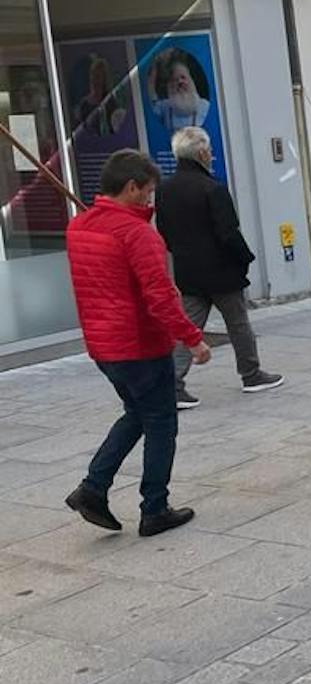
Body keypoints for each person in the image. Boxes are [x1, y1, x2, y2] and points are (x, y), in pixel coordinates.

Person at [64, 149, 210, 537]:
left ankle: (93, 489)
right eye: (147, 192)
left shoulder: (79, 227)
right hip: (140, 345)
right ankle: (155, 507)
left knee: (136, 414)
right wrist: (193, 339)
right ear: (131, 188)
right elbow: (159, 297)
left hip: (104, 346)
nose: (150, 200)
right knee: (161, 421)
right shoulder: (137, 234)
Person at [155, 127, 283, 409]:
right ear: (202, 153)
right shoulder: (213, 188)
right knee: (238, 325)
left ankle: (173, 384)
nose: (211, 155)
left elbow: (163, 232)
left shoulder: (164, 190)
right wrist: (245, 258)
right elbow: (228, 233)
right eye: (209, 151)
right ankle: (251, 375)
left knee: (187, 327)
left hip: (189, 271)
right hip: (223, 272)